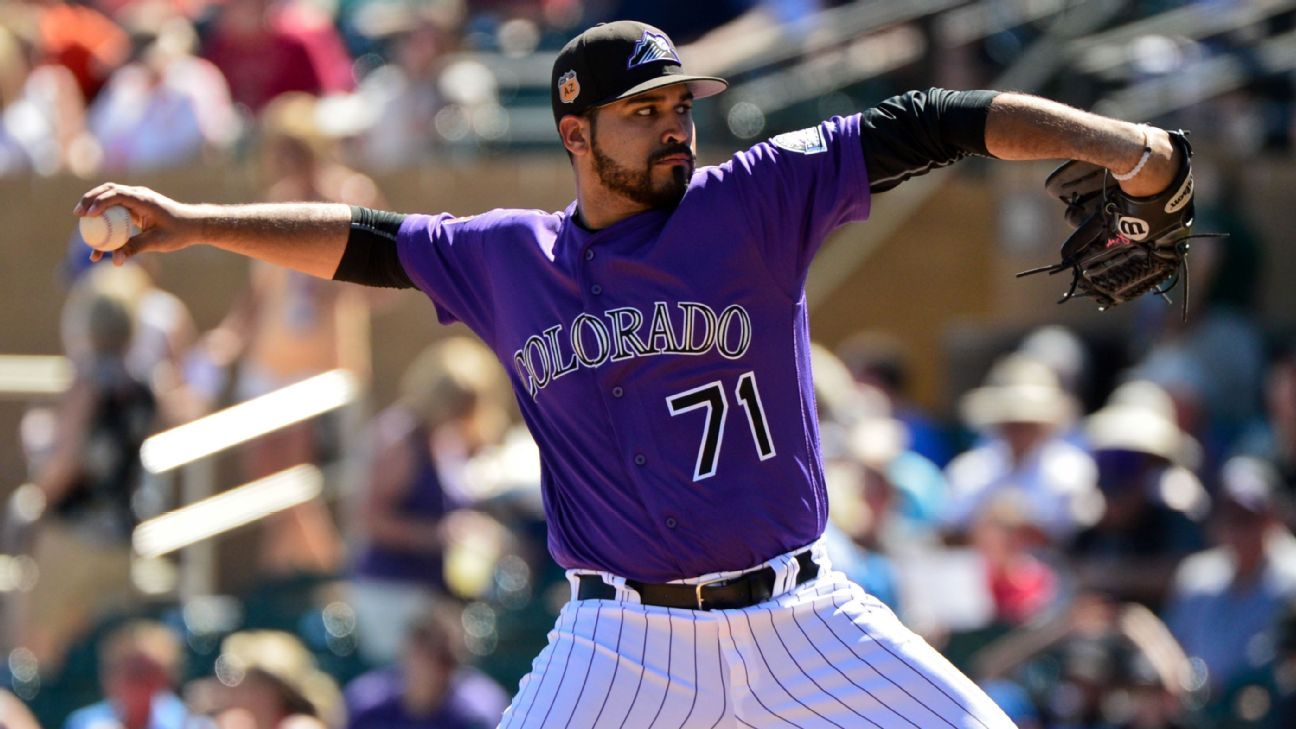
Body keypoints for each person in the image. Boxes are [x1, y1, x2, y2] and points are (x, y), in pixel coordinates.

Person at [75, 19, 1197, 726]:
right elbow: (363, 238)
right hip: (624, 645)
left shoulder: (751, 199)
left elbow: (931, 122)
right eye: (645, 113)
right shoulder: (510, 257)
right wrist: (188, 224)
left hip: (804, 618)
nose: (676, 129)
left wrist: (1125, 148)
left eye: (680, 108)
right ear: (576, 131)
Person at [63, 620, 201, 729]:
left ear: (166, 676)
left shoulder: (190, 723)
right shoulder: (85, 723)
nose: (137, 680)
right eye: (129, 670)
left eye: (146, 671)